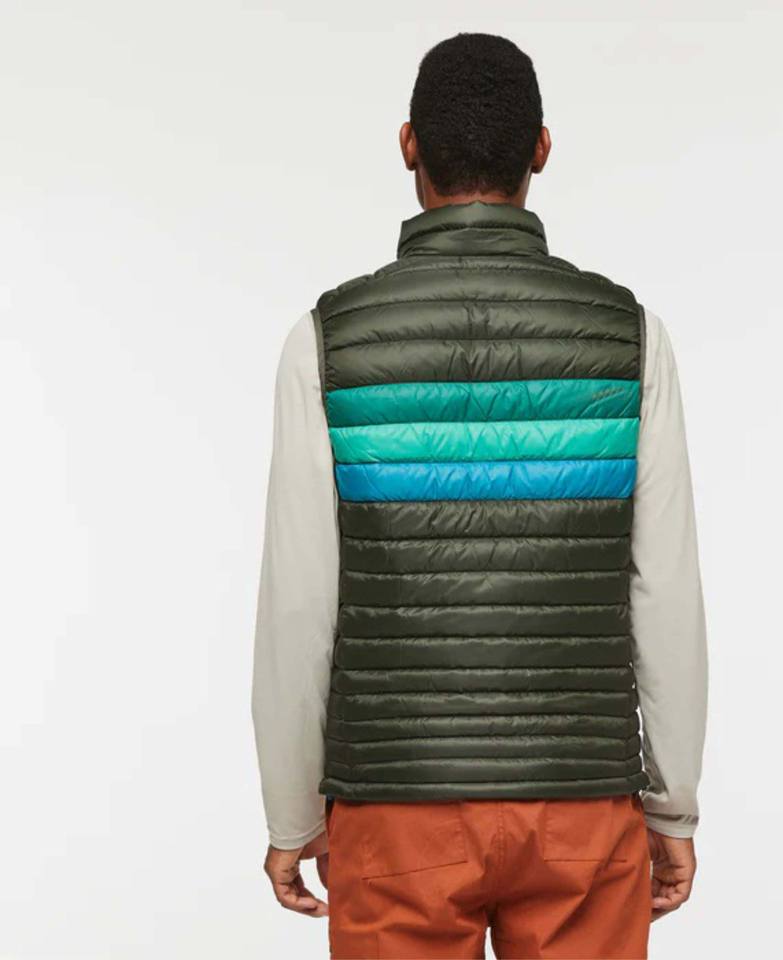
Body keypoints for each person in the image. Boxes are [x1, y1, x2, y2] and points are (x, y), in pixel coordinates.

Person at [252, 32, 707, 960]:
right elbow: (663, 589)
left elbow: (301, 601)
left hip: (395, 807)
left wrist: (292, 811)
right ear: (541, 148)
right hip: (583, 806)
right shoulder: (630, 337)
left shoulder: (327, 340)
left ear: (408, 145)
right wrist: (673, 803)